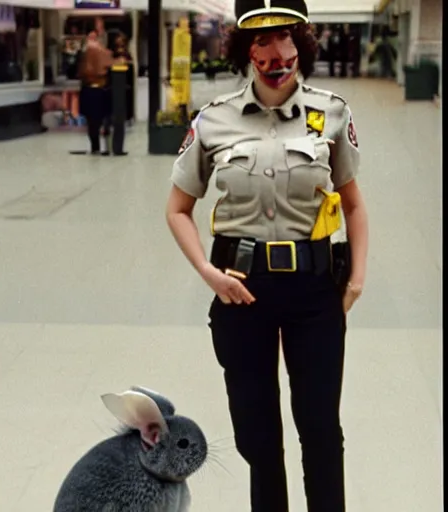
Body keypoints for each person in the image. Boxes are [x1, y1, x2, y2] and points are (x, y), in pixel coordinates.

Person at [165, 0, 369, 511]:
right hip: (241, 290)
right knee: (258, 436)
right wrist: (210, 274)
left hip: (314, 291)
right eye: (261, 39)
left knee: (321, 429)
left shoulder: (333, 111)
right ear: (244, 49)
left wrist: (356, 280)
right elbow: (177, 209)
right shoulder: (213, 121)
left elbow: (354, 204)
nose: (276, 52)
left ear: (301, 43)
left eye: (286, 37)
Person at [78, 31, 114, 154]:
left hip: (95, 90)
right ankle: (98, 146)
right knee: (95, 122)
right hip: (94, 90)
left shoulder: (93, 51)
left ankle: (97, 146)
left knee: (95, 122)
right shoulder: (92, 51)